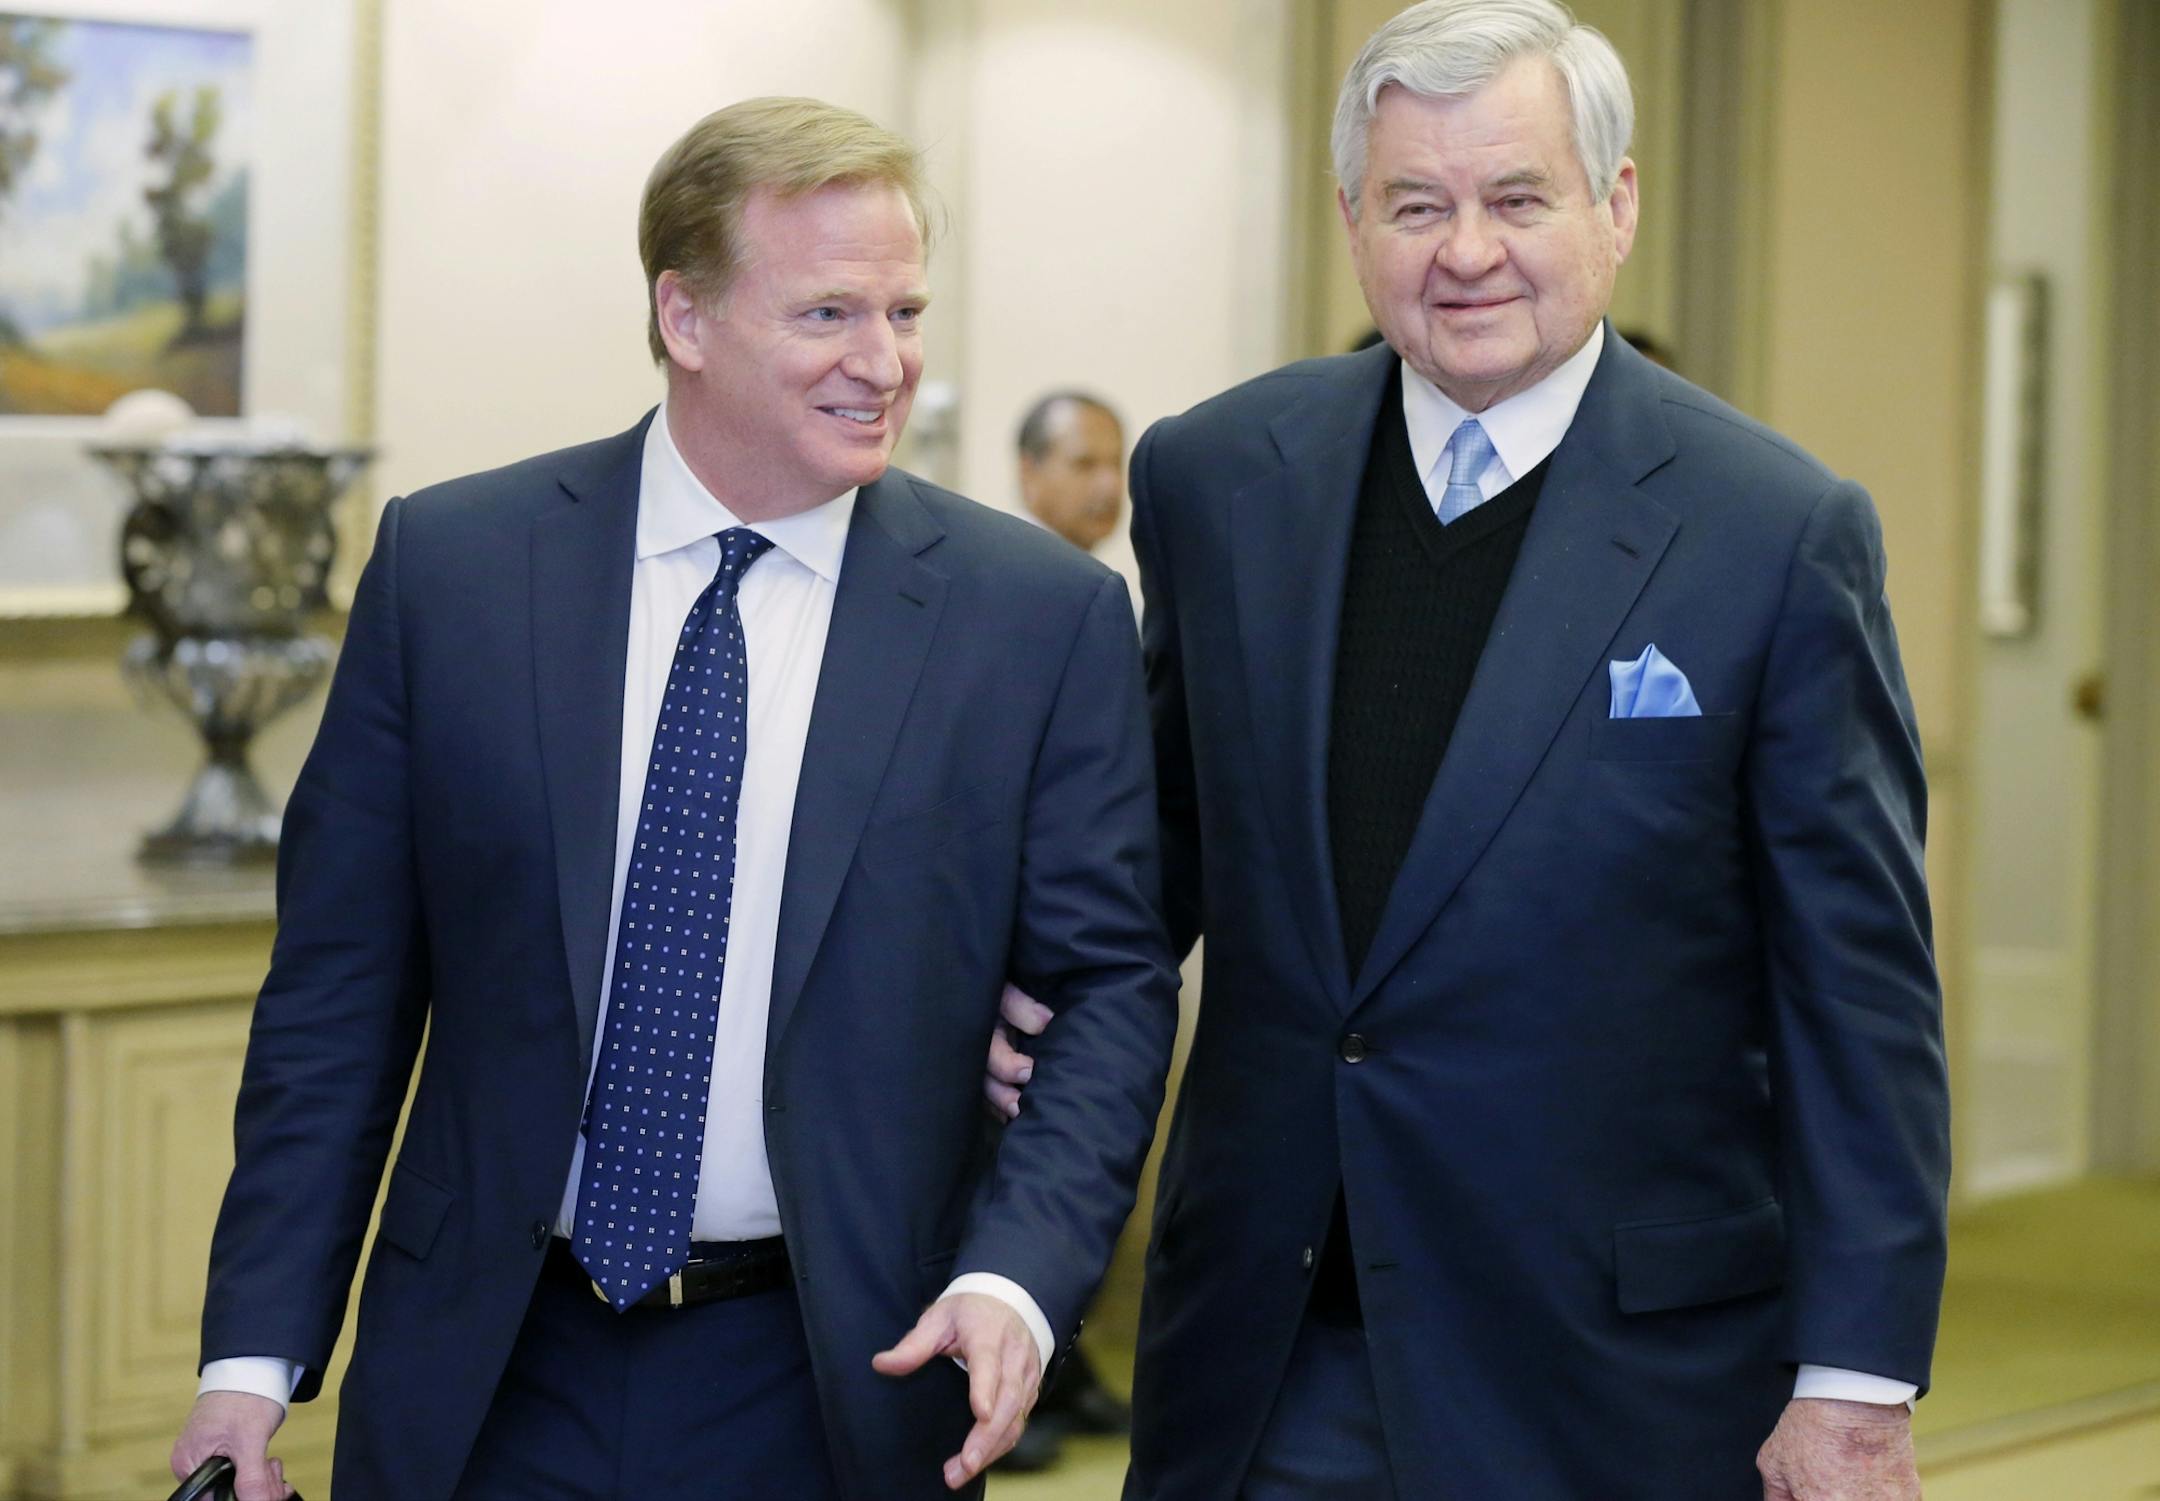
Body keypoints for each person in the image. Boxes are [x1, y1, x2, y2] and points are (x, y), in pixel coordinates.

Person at [993, 3, 1948, 1496]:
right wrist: (1013, 1002)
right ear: (1350, 220)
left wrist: (1859, 1378)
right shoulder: (1221, 477)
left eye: (1517, 199)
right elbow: (1152, 850)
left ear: (1616, 206)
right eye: (1416, 205)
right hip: (1270, 1348)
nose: (1467, 251)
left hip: (1617, 1374)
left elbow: (1859, 994)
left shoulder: (1771, 531)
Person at [169, 96, 1178, 1501]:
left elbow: (1110, 990)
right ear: (686, 317)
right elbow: (338, 995)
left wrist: (1017, 1278)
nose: (883, 363)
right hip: (488, 1371)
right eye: (828, 313)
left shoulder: (1035, 620)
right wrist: (251, 1363)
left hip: (838, 1375)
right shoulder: (453, 574)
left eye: (904, 311)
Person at [1016, 390, 1127, 552]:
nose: (1111, 484)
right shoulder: (1000, 570)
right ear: (1028, 473)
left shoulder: (1095, 574)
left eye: (1117, 464)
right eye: (1085, 464)